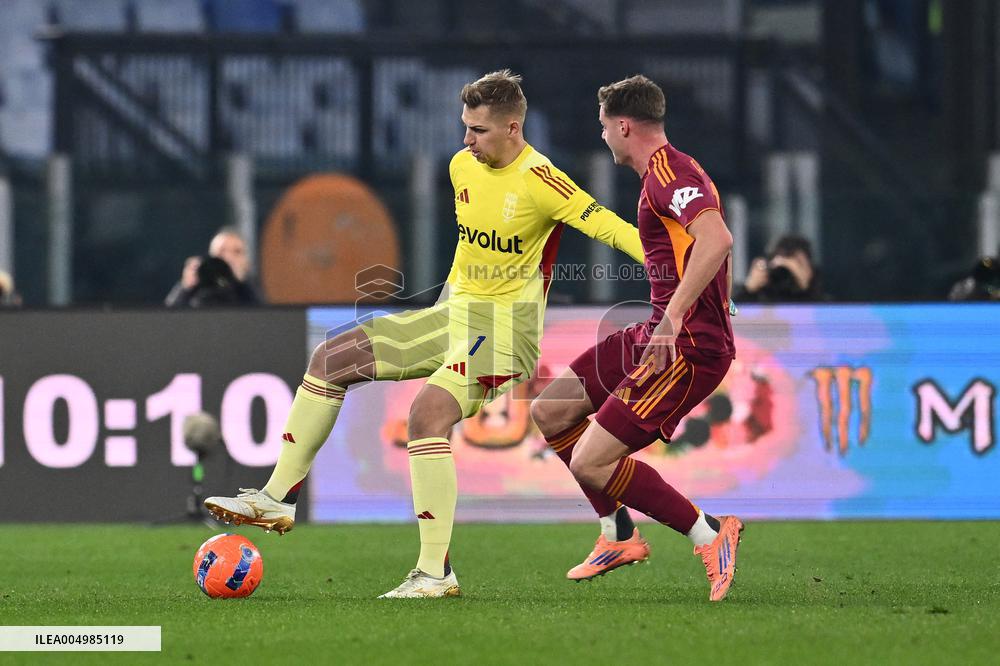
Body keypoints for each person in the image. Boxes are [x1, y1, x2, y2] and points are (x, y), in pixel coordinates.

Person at [204, 70, 645, 598]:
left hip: (505, 333)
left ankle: (436, 573)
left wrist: (684, 270)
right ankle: (278, 497)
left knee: (426, 414)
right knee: (331, 356)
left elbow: (612, 228)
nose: (466, 141)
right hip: (451, 316)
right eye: (464, 127)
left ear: (512, 127)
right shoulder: (463, 166)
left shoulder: (541, 180)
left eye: (478, 130)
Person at [529, 75, 743, 601]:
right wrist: (718, 298)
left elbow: (717, 237)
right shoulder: (668, 175)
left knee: (591, 461)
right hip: (659, 329)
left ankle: (710, 534)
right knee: (551, 411)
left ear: (623, 125)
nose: (602, 136)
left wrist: (675, 319)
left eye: (603, 126)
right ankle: (618, 534)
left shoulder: (669, 172)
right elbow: (711, 241)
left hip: (686, 345)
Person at [165, 227, 261, 307]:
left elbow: (260, 317)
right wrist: (186, 286)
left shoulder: (249, 290)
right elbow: (168, 317)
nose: (228, 258)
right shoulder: (196, 286)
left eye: (237, 252)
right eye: (221, 251)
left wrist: (238, 281)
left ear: (246, 262)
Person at [737, 234, 824, 302]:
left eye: (799, 263)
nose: (785, 274)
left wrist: (806, 287)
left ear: (810, 269)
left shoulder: (825, 304)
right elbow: (729, 316)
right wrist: (748, 289)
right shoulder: (758, 297)